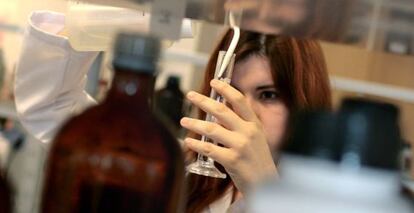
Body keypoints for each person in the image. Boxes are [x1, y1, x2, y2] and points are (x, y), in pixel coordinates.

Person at [14, 10, 331, 213]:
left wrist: (265, 192)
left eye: (269, 94)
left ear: (305, 104)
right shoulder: (179, 167)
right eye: (230, 91)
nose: (240, 110)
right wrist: (117, 17)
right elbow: (51, 105)